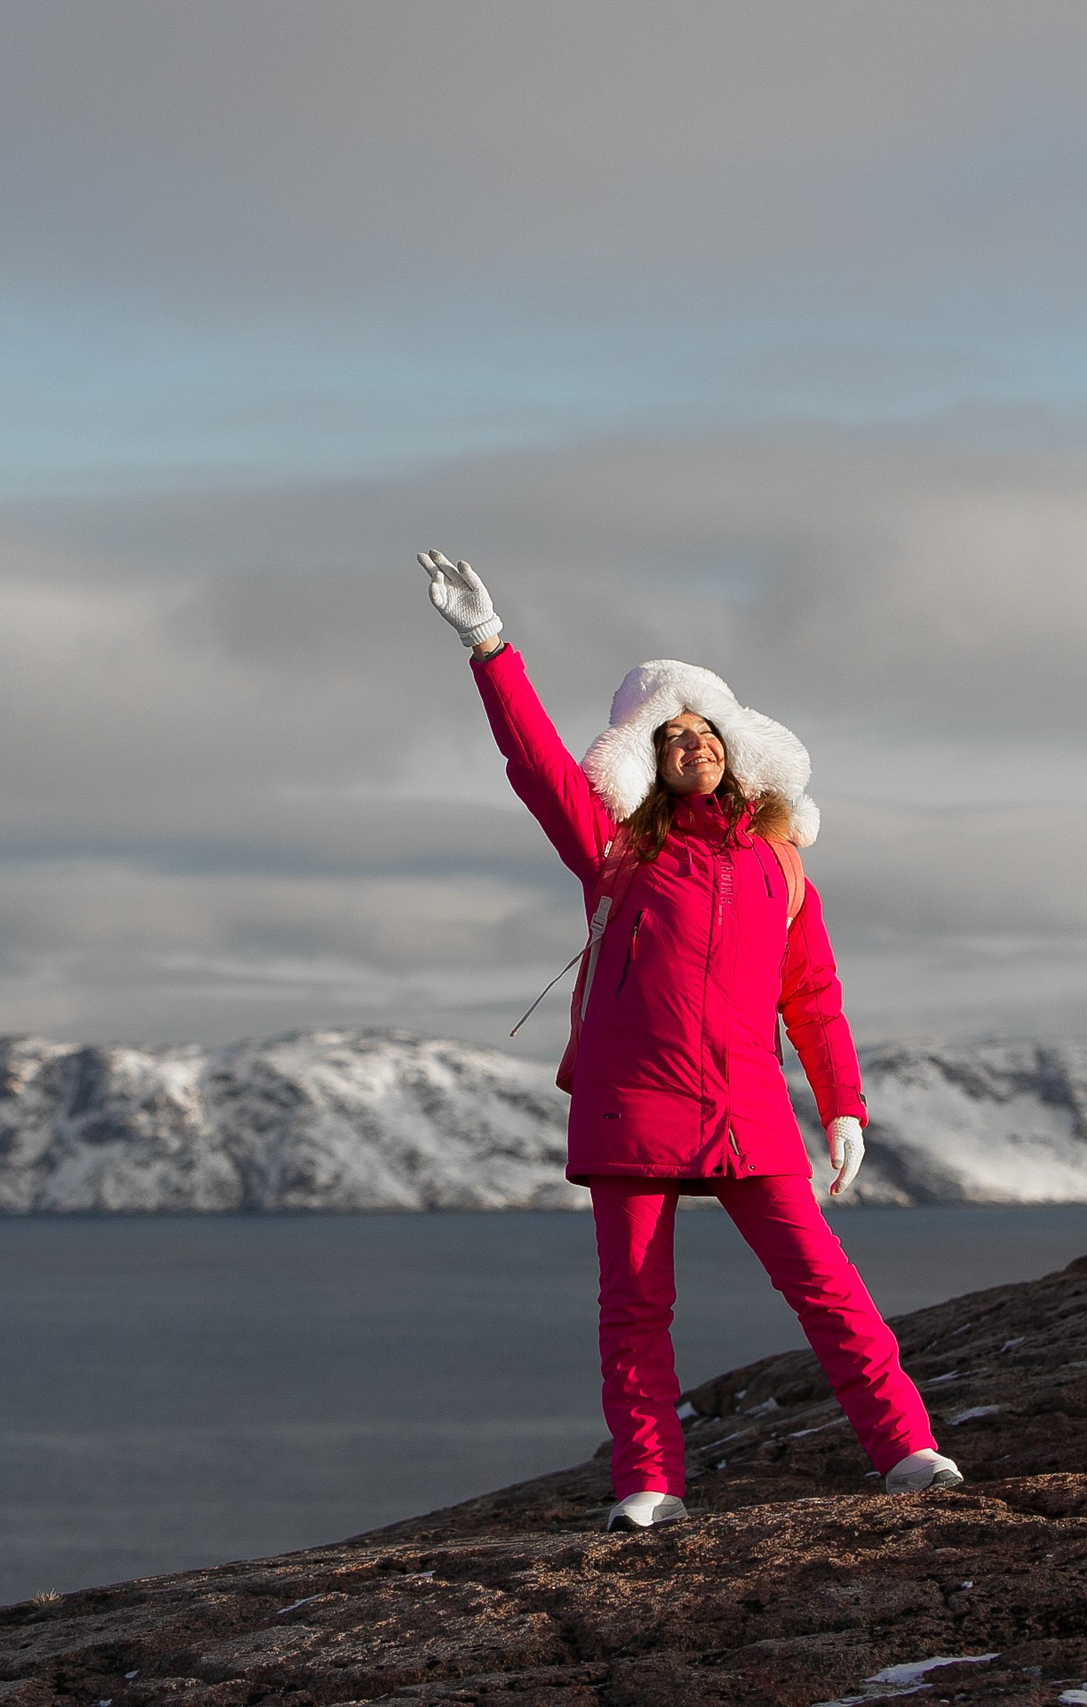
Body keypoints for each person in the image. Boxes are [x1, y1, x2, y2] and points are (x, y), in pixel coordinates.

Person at [419, 550, 961, 1532]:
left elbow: (815, 997)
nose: (689, 745)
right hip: (635, 1102)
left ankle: (906, 1450)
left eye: (701, 729)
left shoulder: (778, 864)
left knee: (828, 1289)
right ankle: (650, 1484)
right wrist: (489, 647)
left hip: (747, 1107)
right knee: (634, 1310)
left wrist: (842, 1103)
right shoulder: (616, 852)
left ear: (732, 743)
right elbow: (537, 765)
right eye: (668, 736)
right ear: (646, 760)